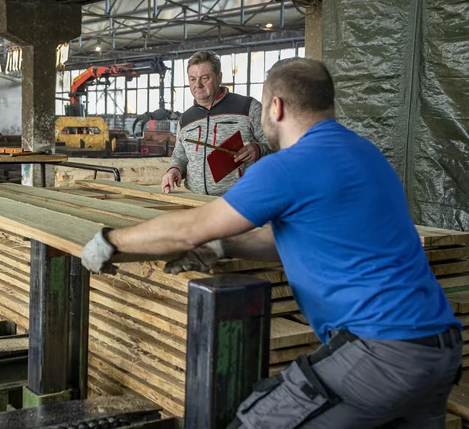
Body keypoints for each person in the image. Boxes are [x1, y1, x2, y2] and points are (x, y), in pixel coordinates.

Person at [82, 58, 461, 428]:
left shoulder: (288, 166)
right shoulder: (365, 153)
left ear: (275, 106)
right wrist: (228, 246)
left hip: (381, 350)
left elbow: (191, 229)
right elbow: (305, 241)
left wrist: (111, 239)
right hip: (439, 346)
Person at [162, 50, 272, 196]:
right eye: (192, 79)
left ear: (219, 77)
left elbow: (279, 146)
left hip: (241, 200)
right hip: (196, 200)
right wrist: (174, 169)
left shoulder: (248, 107)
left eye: (205, 78)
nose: (198, 85)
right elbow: (180, 156)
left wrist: (258, 149)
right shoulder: (186, 118)